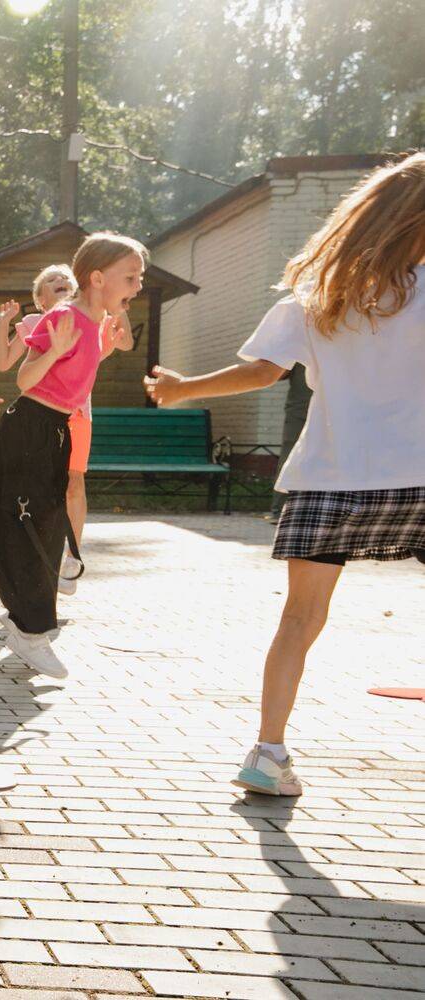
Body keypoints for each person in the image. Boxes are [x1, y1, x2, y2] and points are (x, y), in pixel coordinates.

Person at [145, 152, 425, 798]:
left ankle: (267, 755)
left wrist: (183, 388)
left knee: (300, 618)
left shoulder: (320, 293)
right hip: (418, 477)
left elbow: (260, 372)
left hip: (331, 476)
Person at [0, 233, 143, 679]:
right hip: (31, 427)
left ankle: (24, 620)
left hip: (56, 429)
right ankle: (30, 632)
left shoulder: (94, 321)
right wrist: (54, 350)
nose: (137, 287)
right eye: (130, 278)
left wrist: (108, 337)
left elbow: (101, 357)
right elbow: (23, 379)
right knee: (31, 528)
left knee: (49, 526)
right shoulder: (64, 316)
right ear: (97, 278)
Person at [0, 263, 130, 595]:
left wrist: (120, 303)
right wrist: (2, 324)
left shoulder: (91, 319)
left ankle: (72, 557)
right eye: (52, 280)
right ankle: (39, 559)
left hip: (77, 413)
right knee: (40, 488)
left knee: (74, 483)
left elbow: (121, 345)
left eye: (66, 280)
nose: (61, 281)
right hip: (42, 414)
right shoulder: (33, 323)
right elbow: (4, 363)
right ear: (40, 299)